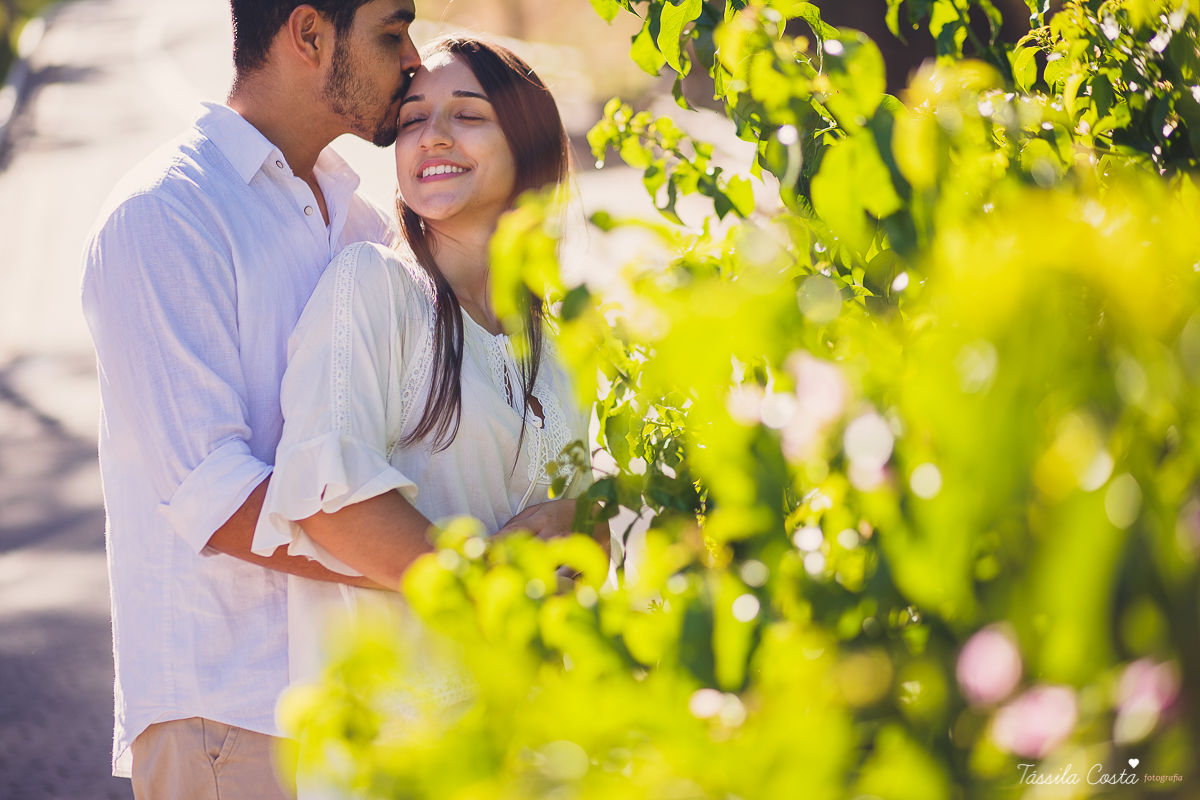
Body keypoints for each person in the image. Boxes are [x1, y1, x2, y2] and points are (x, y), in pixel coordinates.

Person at [80, 2, 420, 797]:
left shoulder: (361, 222)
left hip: (351, 714)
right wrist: (452, 569)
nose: (414, 57)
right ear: (309, 34)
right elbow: (217, 496)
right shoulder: (166, 213)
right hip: (229, 719)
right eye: (391, 32)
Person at [250, 37, 606, 780]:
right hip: (405, 753)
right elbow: (328, 496)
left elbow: (584, 521)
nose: (432, 135)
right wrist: (490, 584)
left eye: (466, 115)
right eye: (412, 119)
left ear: (531, 140)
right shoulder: (374, 286)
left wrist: (586, 524)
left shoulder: (566, 336)